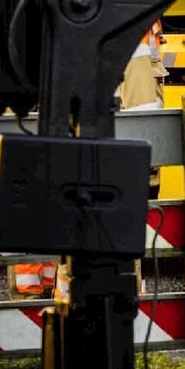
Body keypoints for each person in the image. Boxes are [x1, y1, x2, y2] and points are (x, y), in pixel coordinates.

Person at [13, 21, 167, 300]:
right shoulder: (132, 11)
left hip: (82, 148)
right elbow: (143, 101)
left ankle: (43, 306)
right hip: (104, 152)